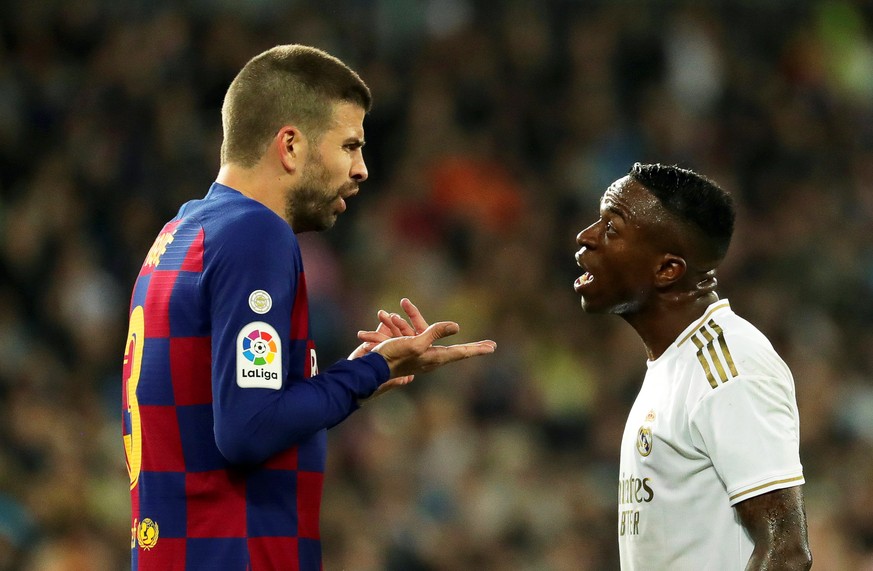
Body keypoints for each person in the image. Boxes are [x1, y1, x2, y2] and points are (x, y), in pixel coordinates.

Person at [120, 44, 496, 570]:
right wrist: (371, 369)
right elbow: (247, 431)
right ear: (290, 145)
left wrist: (358, 377)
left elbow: (235, 410)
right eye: (349, 146)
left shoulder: (181, 235)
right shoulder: (257, 235)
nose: (362, 169)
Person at [573, 163, 812, 570]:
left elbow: (786, 553)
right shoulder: (673, 364)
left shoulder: (729, 364)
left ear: (668, 269)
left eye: (612, 227)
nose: (586, 237)